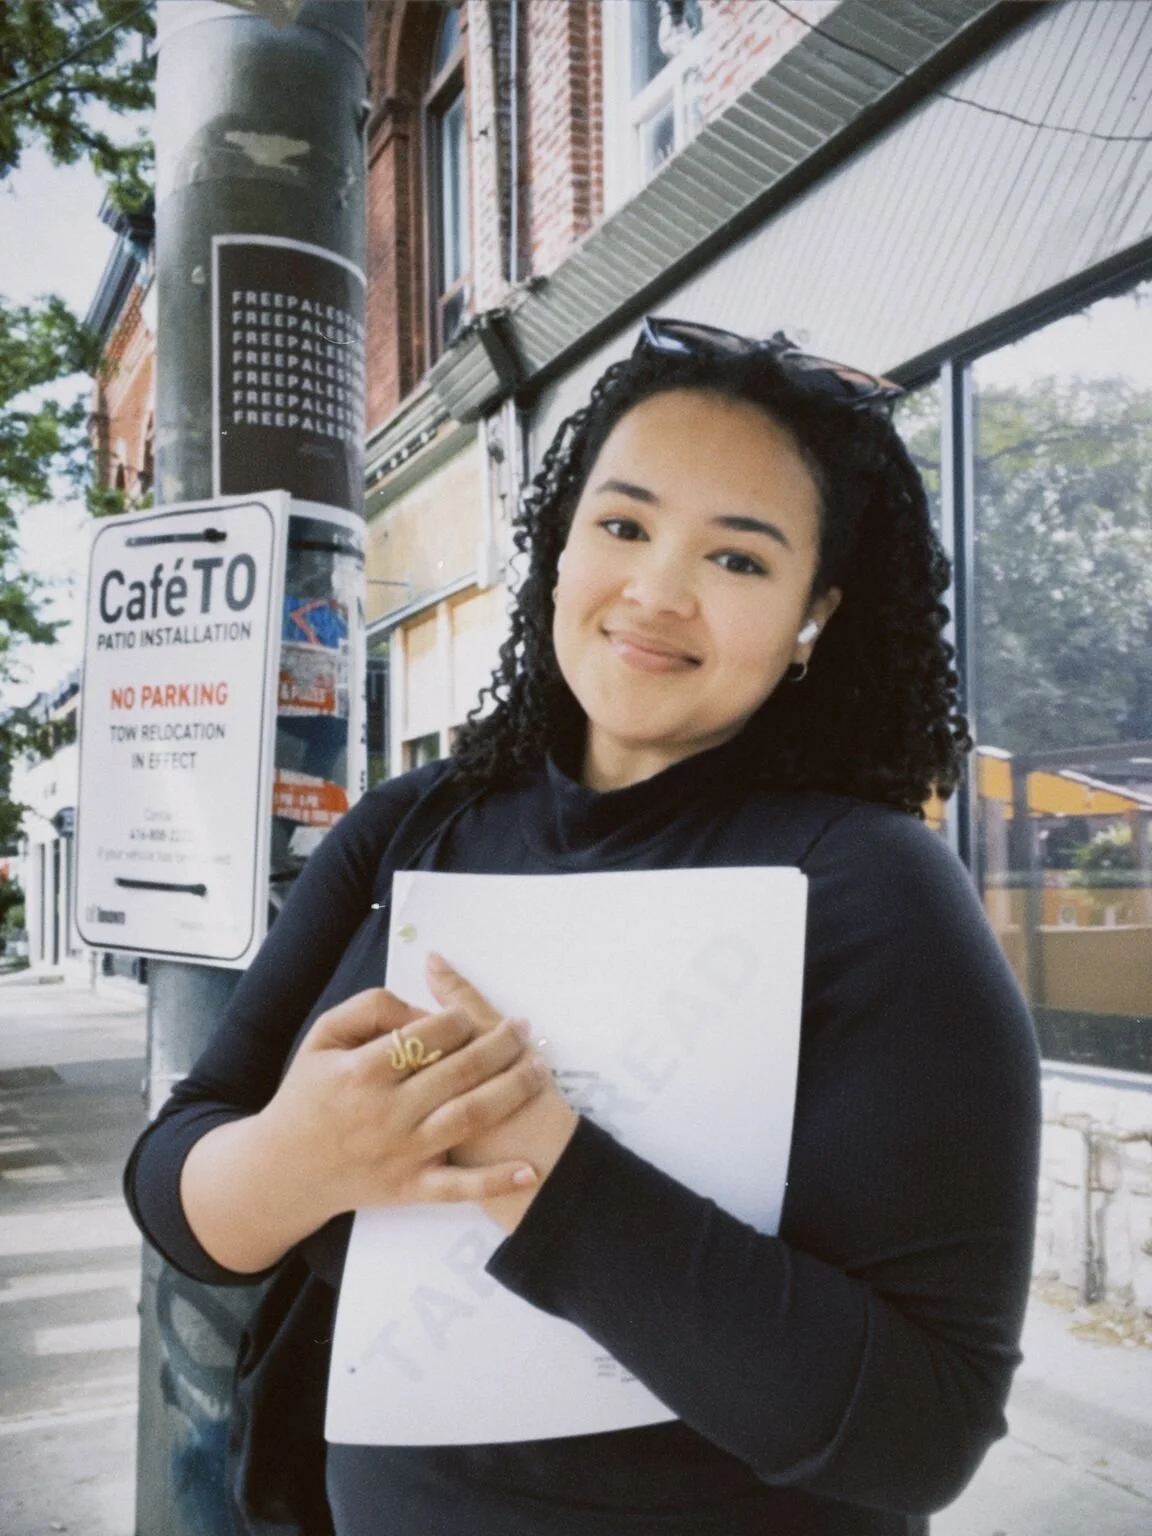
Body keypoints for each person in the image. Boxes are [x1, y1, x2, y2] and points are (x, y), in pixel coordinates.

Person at [124, 317, 1041, 1536]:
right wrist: (307, 1155)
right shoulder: (412, 825)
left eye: (741, 561)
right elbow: (177, 1185)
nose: (657, 592)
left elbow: (924, 1432)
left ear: (815, 614)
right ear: (561, 548)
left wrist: (546, 1169)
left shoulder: (875, 890)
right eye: (623, 527)